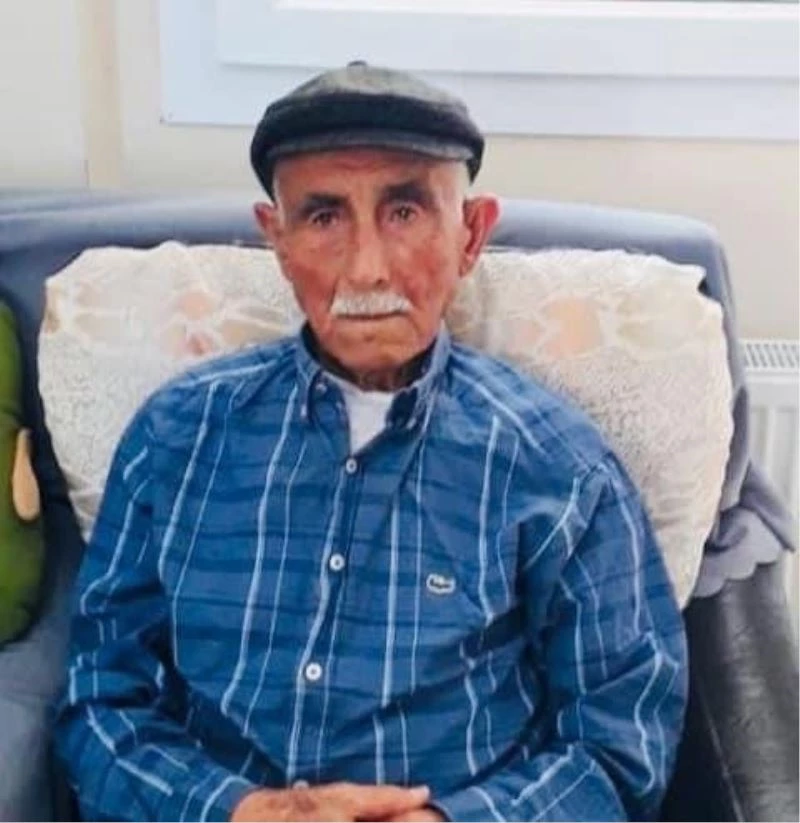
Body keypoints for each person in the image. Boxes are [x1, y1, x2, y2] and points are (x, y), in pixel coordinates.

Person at [55, 63, 687, 822]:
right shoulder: (174, 438)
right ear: (277, 239)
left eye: (405, 211)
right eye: (324, 217)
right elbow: (100, 699)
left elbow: (622, 740)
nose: (365, 268)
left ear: (471, 233)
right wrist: (242, 811)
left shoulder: (561, 468)